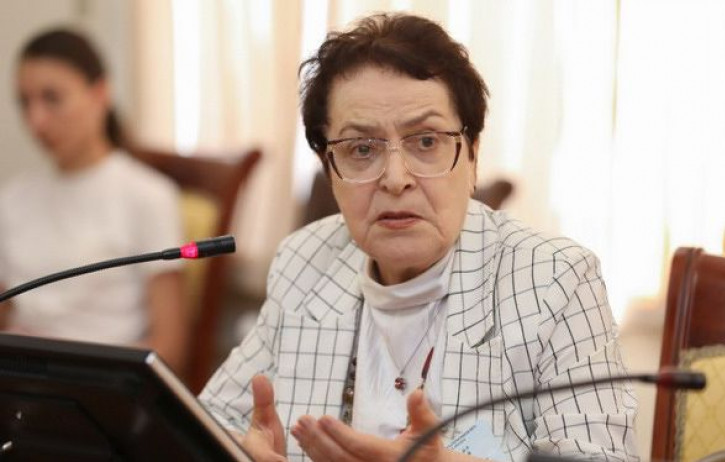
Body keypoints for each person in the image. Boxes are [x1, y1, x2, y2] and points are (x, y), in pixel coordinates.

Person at [199, 13, 638, 462]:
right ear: (329, 169)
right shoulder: (307, 260)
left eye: (426, 142)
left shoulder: (555, 280)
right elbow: (205, 422)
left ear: (472, 155)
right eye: (361, 149)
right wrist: (239, 450)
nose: (395, 179)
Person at [0, 29, 188, 372]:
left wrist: (71, 372)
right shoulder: (13, 198)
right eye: (25, 102)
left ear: (100, 93)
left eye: (52, 98)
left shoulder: (148, 196)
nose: (36, 121)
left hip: (98, 384)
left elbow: (170, 346)